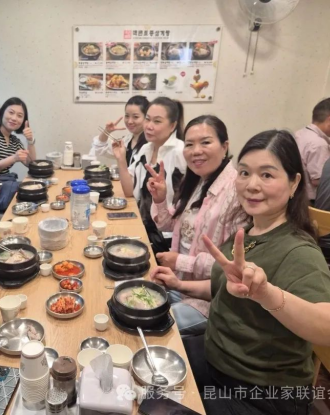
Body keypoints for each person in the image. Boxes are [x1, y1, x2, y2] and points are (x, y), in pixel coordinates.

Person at [151, 130, 330, 414]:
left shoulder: (298, 251)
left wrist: (266, 294)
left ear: (294, 183)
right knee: (145, 369)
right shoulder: (250, 231)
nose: (252, 185)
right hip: (217, 359)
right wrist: (179, 285)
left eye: (267, 175)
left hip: (260, 393)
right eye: (244, 173)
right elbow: (223, 286)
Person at [146, 115, 248, 336]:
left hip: (210, 299)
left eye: (205, 142)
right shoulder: (198, 181)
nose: (196, 151)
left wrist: (180, 261)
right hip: (179, 283)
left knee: (150, 323)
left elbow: (233, 266)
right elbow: (169, 225)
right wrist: (160, 198)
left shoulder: (238, 191)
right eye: (190, 144)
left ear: (225, 146)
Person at [113, 97, 186, 254]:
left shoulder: (180, 152)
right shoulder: (146, 149)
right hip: (144, 227)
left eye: (157, 121)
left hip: (167, 237)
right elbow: (129, 191)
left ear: (172, 126)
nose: (149, 126)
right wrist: (121, 159)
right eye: (147, 119)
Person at [294, 97, 330, 204]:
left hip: (292, 193)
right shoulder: (319, 144)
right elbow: (317, 180)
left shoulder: (299, 133)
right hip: (305, 201)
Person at [89, 95, 149, 166]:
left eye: (135, 117)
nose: (129, 121)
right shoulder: (126, 141)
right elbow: (100, 148)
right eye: (127, 116)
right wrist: (107, 131)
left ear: (147, 117)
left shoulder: (150, 143)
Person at [0, 97, 36, 175]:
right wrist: (14, 158)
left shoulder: (15, 141)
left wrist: (30, 141)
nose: (14, 118)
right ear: (2, 112)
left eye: (19, 116)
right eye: (11, 112)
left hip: (6, 180)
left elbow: (30, 164)